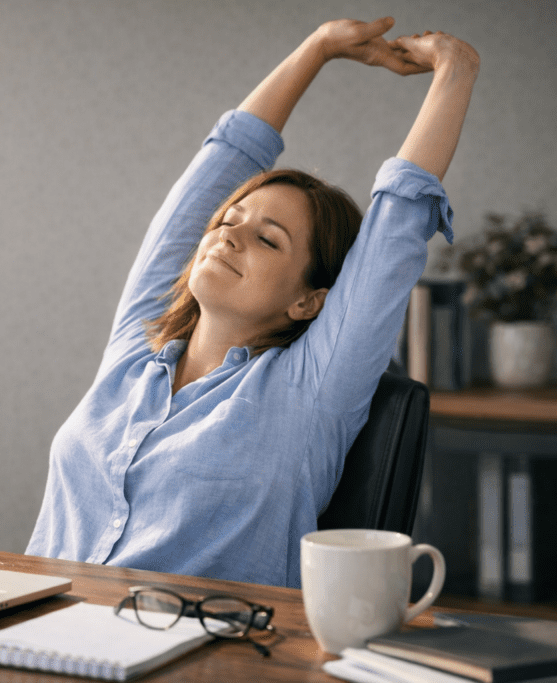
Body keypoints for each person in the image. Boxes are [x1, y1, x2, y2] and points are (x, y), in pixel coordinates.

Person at [25, 17, 479, 588]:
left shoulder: (308, 392)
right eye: (229, 220)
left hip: (196, 639)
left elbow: (396, 226)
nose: (229, 236)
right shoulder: (136, 352)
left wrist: (455, 69)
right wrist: (318, 47)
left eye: (268, 239)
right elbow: (222, 163)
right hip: (41, 622)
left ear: (309, 301)